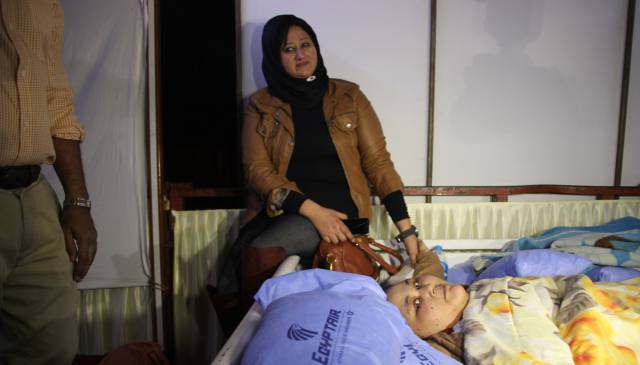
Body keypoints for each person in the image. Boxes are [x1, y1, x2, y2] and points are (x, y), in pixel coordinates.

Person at [223, 14, 421, 311]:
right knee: (239, 266)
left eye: (306, 45)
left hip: (343, 218)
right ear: (275, 57)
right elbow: (257, 171)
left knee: (260, 252)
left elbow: (378, 163)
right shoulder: (261, 105)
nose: (301, 55)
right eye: (289, 49)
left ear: (316, 47)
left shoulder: (349, 96)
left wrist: (407, 231)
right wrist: (313, 211)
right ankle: (251, 341)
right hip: (292, 210)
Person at [0, 1, 98, 364]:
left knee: (52, 347)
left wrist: (78, 201)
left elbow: (57, 102)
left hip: (35, 192)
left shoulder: (43, 4)